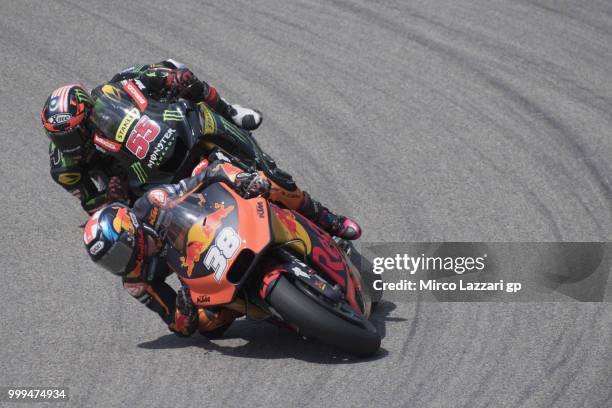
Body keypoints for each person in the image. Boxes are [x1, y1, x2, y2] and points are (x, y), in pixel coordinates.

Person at [42, 59, 360, 240]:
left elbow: (145, 73)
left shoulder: (112, 91)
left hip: (179, 134)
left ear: (89, 114)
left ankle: (325, 217)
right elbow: (93, 206)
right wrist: (112, 196)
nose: (68, 144)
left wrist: (171, 79)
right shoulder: (65, 167)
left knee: (269, 174)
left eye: (72, 135)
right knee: (169, 237)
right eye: (60, 139)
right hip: (147, 184)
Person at [83, 161, 275, 337]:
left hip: (214, 222)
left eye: (117, 254)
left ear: (129, 231)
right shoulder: (135, 283)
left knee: (266, 182)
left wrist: (238, 179)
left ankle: (302, 205)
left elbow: (203, 178)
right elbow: (176, 323)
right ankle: (258, 305)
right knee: (206, 324)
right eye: (109, 263)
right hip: (201, 269)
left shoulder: (152, 203)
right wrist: (184, 309)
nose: (118, 264)